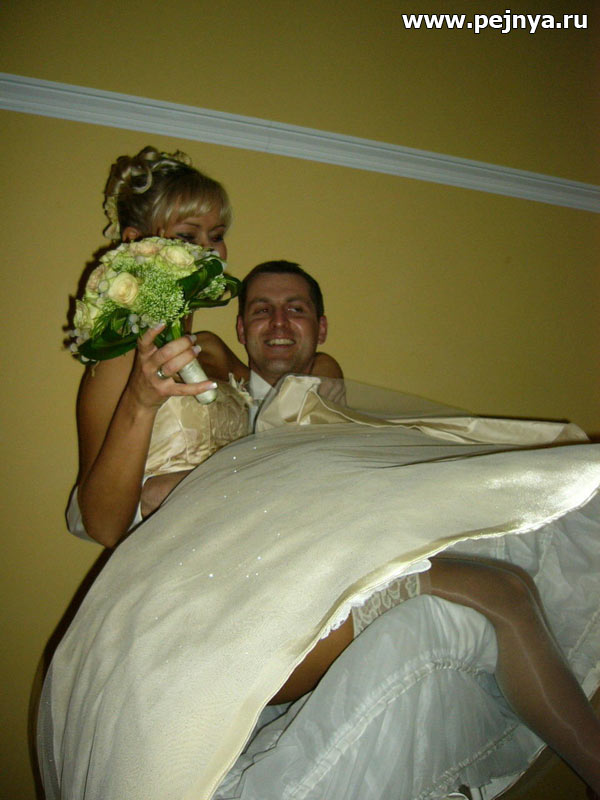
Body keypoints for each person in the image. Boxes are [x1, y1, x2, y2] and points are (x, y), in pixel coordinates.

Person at [67, 146, 340, 548]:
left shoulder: (211, 348)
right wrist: (140, 402)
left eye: (217, 236)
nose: (212, 250)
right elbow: (101, 526)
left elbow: (280, 423)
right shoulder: (120, 358)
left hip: (248, 540)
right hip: (173, 553)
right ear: (136, 244)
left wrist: (325, 367)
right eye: (188, 236)